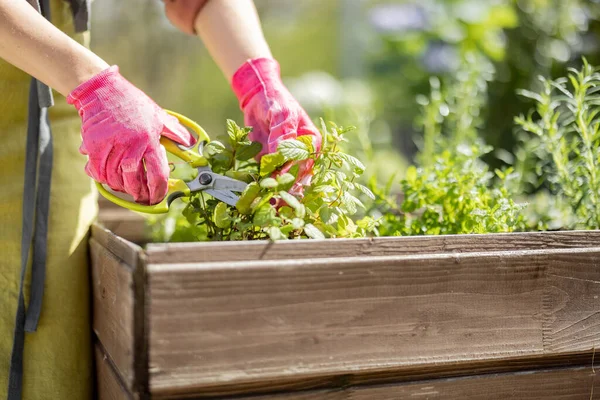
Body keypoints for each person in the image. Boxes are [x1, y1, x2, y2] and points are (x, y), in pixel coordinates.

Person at [0, 0, 321, 398]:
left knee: (52, 357)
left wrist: (258, 78)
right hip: (58, 82)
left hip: (63, 124)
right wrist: (93, 84)